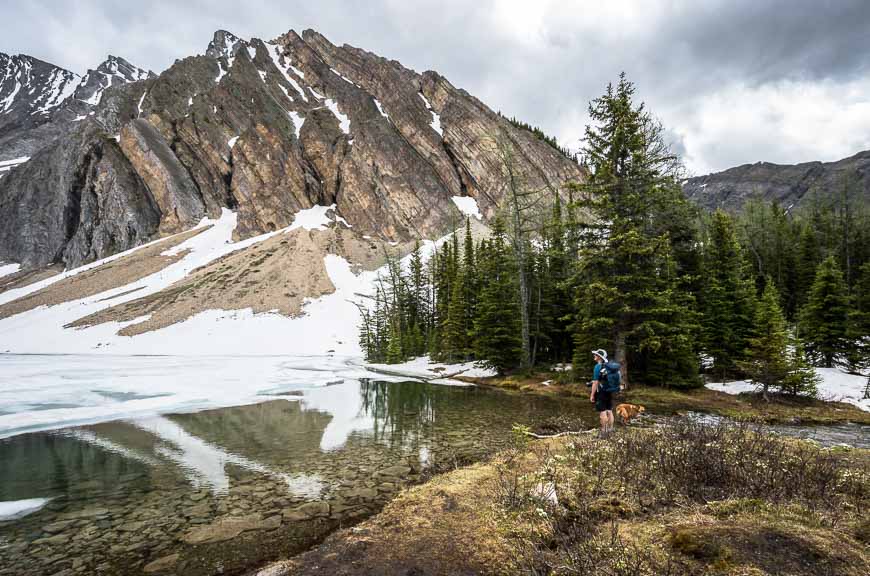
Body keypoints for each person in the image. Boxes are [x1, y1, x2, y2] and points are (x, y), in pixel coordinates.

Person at [589, 349, 614, 437]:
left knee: (602, 412)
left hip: (601, 392)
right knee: (609, 411)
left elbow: (595, 382)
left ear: (599, 357)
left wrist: (592, 394)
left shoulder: (597, 366)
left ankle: (603, 433)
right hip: (609, 391)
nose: (594, 356)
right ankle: (610, 431)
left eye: (595, 355)